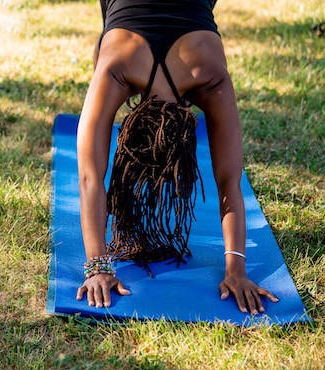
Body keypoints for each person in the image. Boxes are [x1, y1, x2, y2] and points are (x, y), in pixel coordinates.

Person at [75, 0, 280, 314]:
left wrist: (98, 266)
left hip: (150, 33)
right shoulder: (115, 67)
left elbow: (92, 177)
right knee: (111, 35)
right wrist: (234, 270)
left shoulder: (207, 74)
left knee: (110, 35)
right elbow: (228, 183)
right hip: (122, 39)